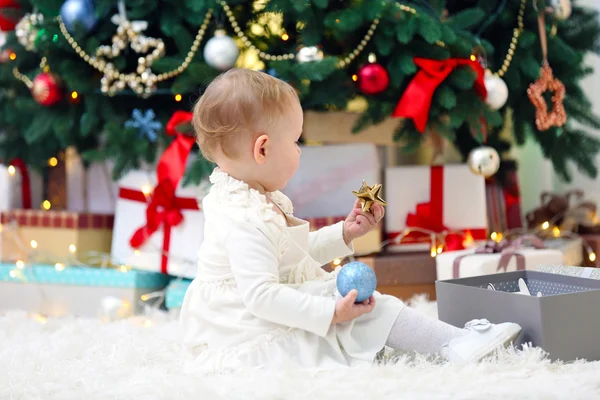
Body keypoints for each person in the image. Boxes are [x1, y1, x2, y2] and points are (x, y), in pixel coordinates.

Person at [179, 68, 521, 373]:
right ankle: (456, 344)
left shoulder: (253, 197)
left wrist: (344, 232)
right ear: (263, 150)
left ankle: (449, 340)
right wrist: (329, 314)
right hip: (248, 329)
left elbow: (290, 257)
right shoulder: (243, 218)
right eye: (295, 141)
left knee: (356, 305)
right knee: (367, 308)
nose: (299, 150)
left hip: (263, 307)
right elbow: (263, 297)